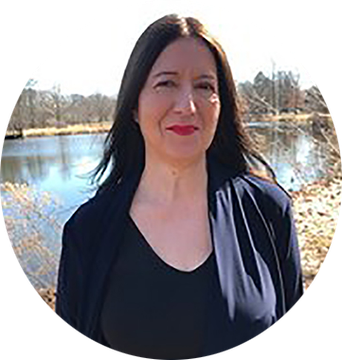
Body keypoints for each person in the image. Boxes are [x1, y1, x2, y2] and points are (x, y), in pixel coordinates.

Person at [56, 14, 303, 359]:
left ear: (222, 105)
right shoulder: (88, 232)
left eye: (205, 86)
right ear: (134, 106)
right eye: (166, 83)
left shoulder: (268, 211)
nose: (187, 106)